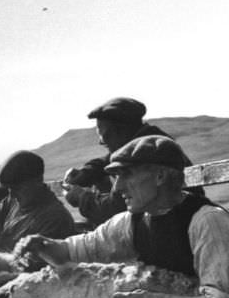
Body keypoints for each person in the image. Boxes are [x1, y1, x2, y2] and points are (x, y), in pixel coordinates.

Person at [20, 135, 229, 298]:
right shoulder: (132, 222)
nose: (117, 188)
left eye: (126, 175)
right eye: (115, 178)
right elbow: (74, 251)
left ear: (159, 176)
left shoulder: (207, 222)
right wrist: (44, 246)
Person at [63, 97, 196, 227]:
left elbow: (115, 209)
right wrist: (84, 173)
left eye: (106, 135)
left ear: (122, 131)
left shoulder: (146, 156)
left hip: (178, 226)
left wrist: (81, 199)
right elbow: (106, 160)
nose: (101, 141)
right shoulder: (146, 143)